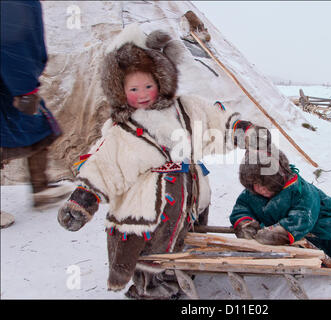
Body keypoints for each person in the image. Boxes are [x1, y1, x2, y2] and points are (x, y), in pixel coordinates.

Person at [57, 24, 271, 299]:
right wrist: (84, 198)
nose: (143, 93)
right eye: (133, 88)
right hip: (148, 205)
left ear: (161, 80)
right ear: (120, 90)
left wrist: (242, 131)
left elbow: (214, 121)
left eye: (149, 85)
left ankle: (181, 275)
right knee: (152, 251)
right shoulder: (123, 128)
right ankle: (151, 290)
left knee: (184, 237)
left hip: (189, 194)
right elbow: (107, 165)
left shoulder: (185, 108)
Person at [230, 149, 331, 266]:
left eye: (262, 183)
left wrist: (277, 234)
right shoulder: (254, 191)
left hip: (325, 228)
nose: (258, 188)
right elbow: (242, 206)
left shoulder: (302, 191)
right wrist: (244, 223)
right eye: (252, 184)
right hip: (292, 236)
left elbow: (302, 218)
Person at [0, 0, 72, 228]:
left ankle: (41, 188)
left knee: (39, 127)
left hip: (12, 80)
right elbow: (13, 43)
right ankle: (40, 188)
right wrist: (25, 88)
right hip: (10, 80)